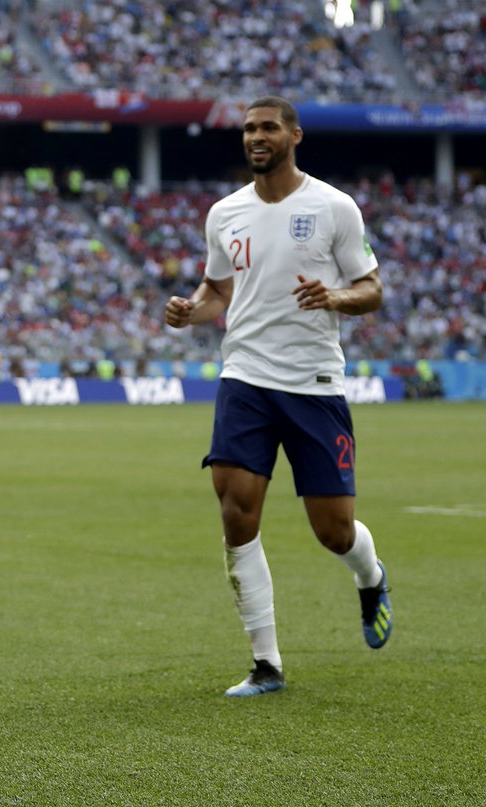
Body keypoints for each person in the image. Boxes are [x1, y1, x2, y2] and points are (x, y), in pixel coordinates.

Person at [163, 96, 393, 698]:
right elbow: (218, 289)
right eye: (248, 129)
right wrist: (193, 310)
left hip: (314, 381)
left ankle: (370, 577)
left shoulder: (333, 207)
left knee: (333, 531)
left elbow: (371, 289)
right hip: (245, 377)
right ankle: (266, 664)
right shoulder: (225, 214)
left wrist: (335, 298)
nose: (255, 137)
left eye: (267, 127)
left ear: (294, 134)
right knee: (236, 509)